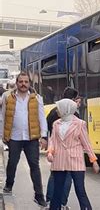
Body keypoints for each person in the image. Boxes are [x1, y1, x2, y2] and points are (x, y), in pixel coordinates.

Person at [0, 71, 48, 207]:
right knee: (12, 163)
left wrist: (44, 136)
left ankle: (39, 195)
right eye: (21, 82)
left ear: (29, 83)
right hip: (14, 137)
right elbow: (3, 116)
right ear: (17, 83)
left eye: (26, 82)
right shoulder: (7, 97)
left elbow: (41, 117)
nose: (23, 84)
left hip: (31, 138)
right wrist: (3, 134)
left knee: (34, 166)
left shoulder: (36, 98)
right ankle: (9, 185)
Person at [47, 98, 99, 210]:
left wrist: (93, 160)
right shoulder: (56, 124)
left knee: (80, 190)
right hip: (59, 160)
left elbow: (86, 144)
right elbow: (53, 140)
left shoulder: (80, 124)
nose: (57, 111)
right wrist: (50, 152)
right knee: (57, 190)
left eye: (59, 108)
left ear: (66, 109)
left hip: (75, 160)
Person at [45, 87, 80, 209]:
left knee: (54, 175)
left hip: (55, 149)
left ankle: (50, 200)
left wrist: (46, 141)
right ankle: (62, 203)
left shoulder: (54, 111)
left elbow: (47, 127)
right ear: (72, 99)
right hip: (69, 151)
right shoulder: (73, 114)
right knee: (68, 176)